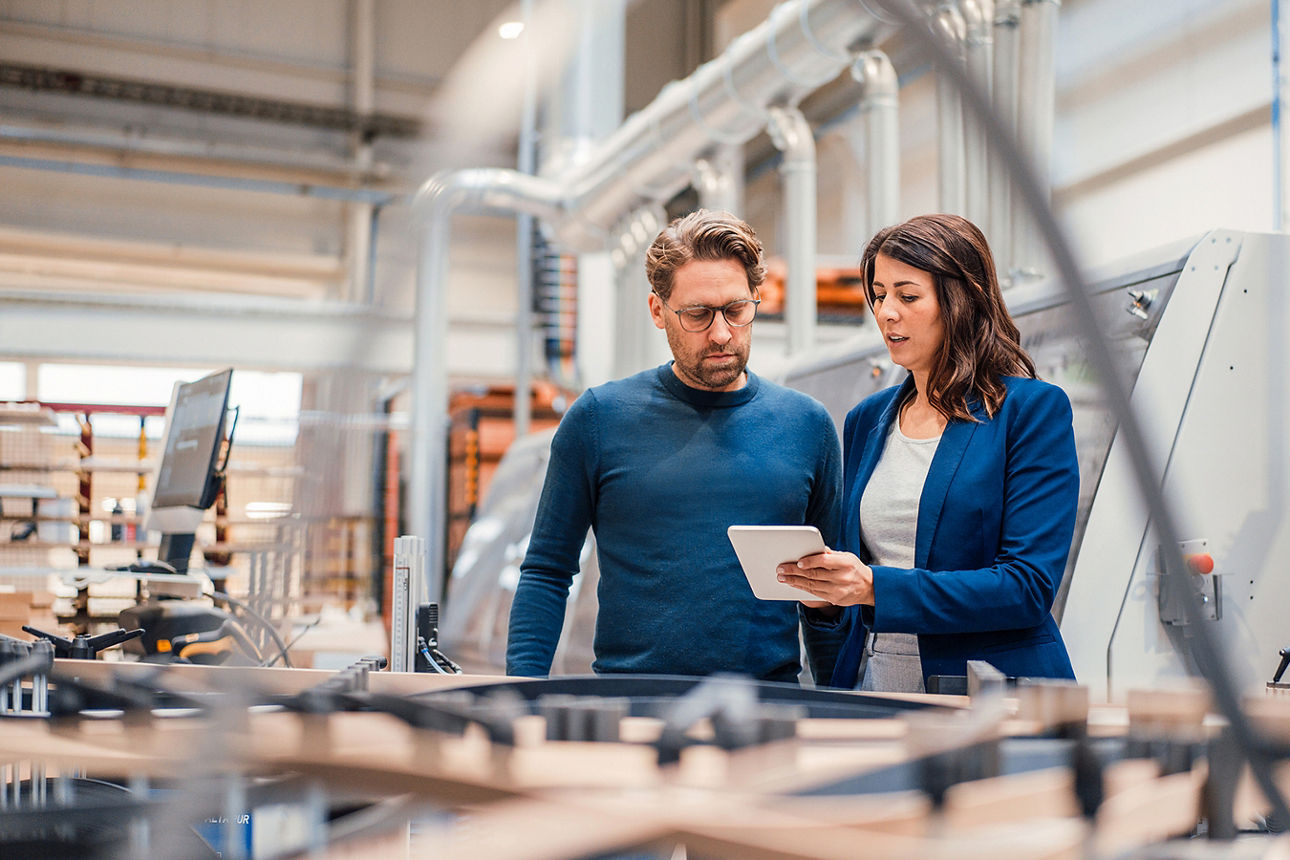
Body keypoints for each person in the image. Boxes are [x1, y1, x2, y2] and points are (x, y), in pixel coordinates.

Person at [506, 209, 845, 683]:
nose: (722, 332)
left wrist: (838, 705)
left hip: (767, 711)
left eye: (736, 310)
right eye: (699, 314)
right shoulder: (600, 419)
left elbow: (828, 595)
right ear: (657, 311)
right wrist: (523, 694)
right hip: (631, 705)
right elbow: (546, 572)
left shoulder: (806, 425)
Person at [776, 213, 1079, 691]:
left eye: (907, 295)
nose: (886, 312)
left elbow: (1026, 588)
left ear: (959, 301)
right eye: (878, 295)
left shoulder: (1030, 411)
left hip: (987, 691)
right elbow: (859, 577)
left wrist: (875, 587)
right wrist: (827, 595)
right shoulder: (867, 420)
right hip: (876, 686)